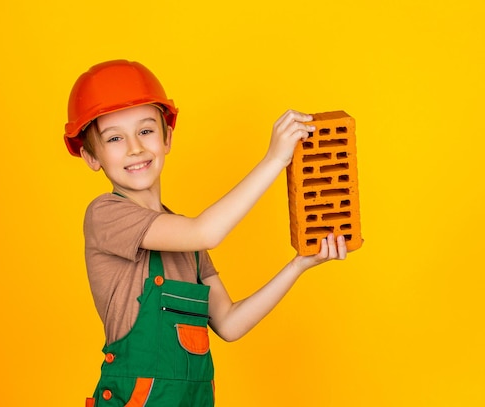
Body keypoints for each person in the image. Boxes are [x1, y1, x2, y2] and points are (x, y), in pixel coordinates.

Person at [64, 60, 347, 407]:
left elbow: (229, 324)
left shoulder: (186, 242)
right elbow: (206, 231)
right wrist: (274, 160)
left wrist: (299, 264)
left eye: (146, 130)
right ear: (91, 155)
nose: (135, 147)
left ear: (167, 137)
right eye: (114, 138)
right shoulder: (105, 215)